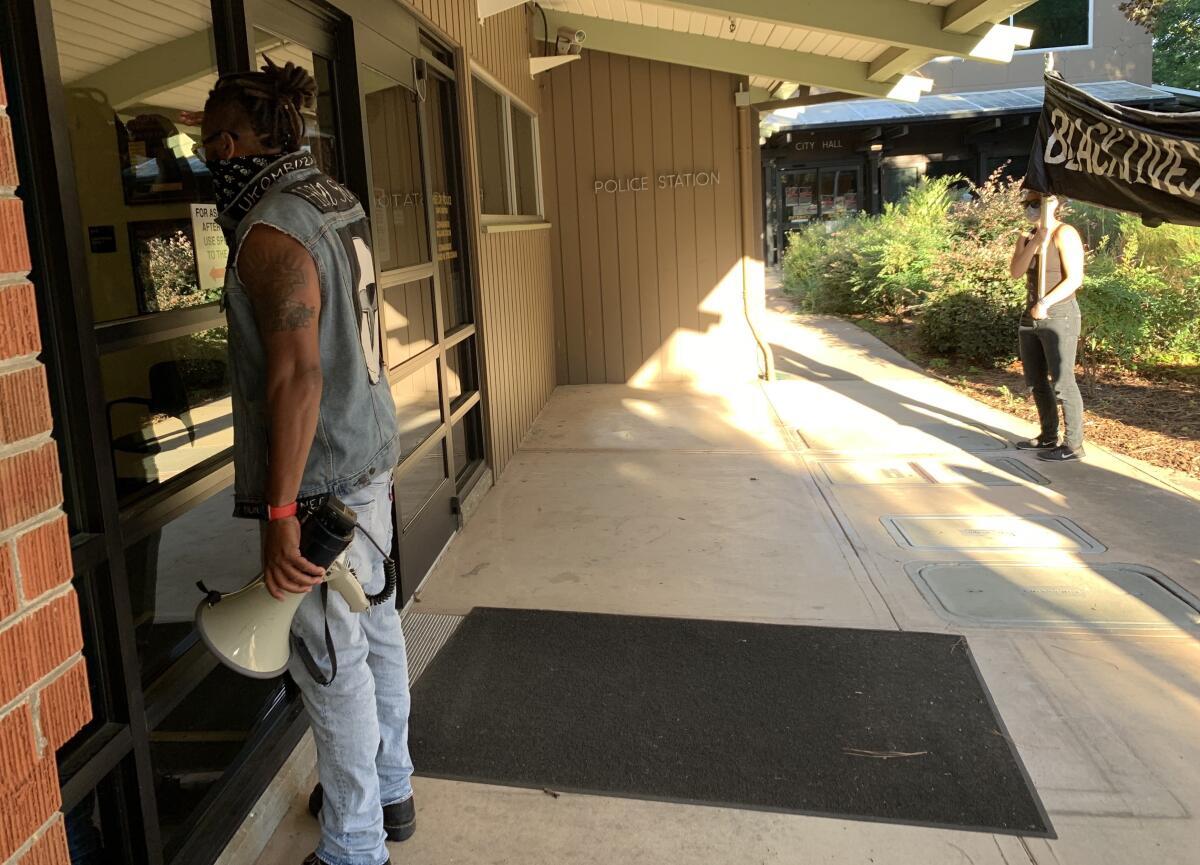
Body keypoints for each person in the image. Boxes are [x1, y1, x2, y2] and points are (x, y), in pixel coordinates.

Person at [201, 59, 413, 865]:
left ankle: (355, 845)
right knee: (379, 626)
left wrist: (279, 515)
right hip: (366, 452)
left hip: (320, 476)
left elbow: (296, 376)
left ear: (241, 140)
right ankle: (391, 790)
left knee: (331, 662)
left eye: (213, 140)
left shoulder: (270, 230)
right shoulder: (334, 198)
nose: (207, 156)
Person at [1009, 191, 1086, 462]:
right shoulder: (1027, 235)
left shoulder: (1065, 233)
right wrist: (1035, 242)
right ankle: (1048, 435)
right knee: (1035, 379)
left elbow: (1075, 278)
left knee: (1063, 381)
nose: (1030, 208)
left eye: (1036, 203)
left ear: (1054, 204)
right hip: (1030, 315)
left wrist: (1045, 302)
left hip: (1059, 313)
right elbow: (1016, 271)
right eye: (1027, 204)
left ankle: (1074, 444)